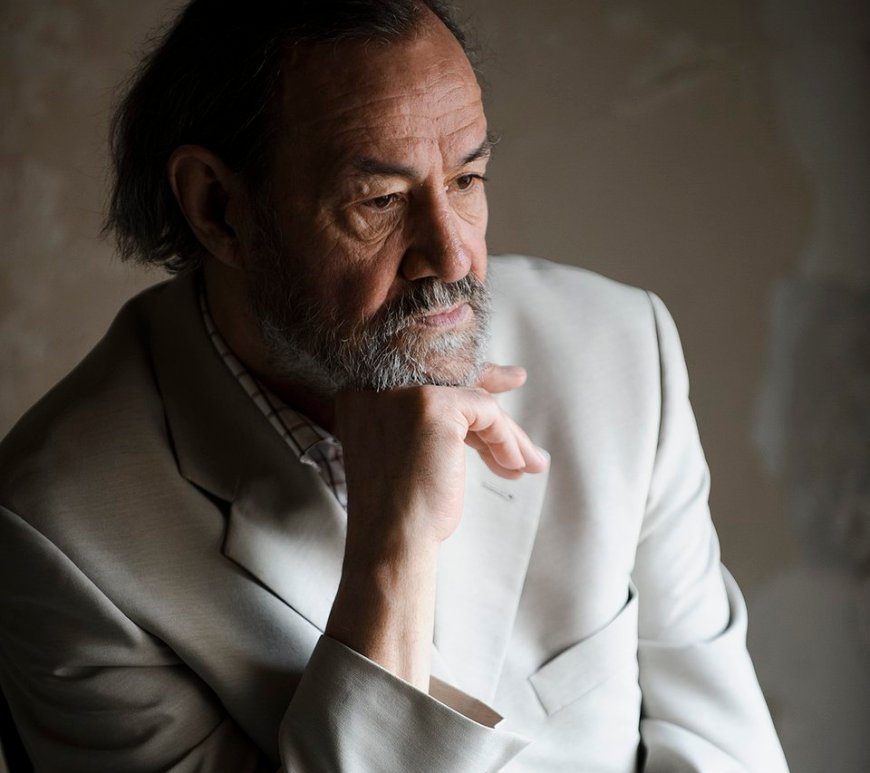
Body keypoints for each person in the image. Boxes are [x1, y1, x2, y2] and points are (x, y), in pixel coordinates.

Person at [0, 1, 789, 771]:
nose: (453, 256)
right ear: (218, 208)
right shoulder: (59, 536)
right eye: (378, 200)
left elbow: (725, 751)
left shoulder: (619, 349)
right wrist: (393, 548)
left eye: (467, 178)